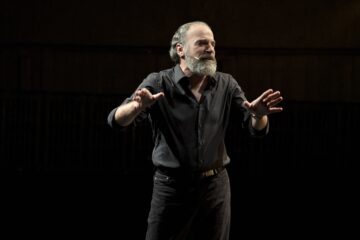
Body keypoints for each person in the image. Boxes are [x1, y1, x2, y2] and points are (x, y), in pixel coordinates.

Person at [107, 21, 283, 240]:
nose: (210, 48)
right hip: (171, 188)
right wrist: (137, 106)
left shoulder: (226, 84)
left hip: (214, 188)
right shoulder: (158, 82)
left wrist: (258, 115)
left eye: (212, 43)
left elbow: (256, 129)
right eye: (201, 43)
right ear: (180, 49)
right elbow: (116, 120)